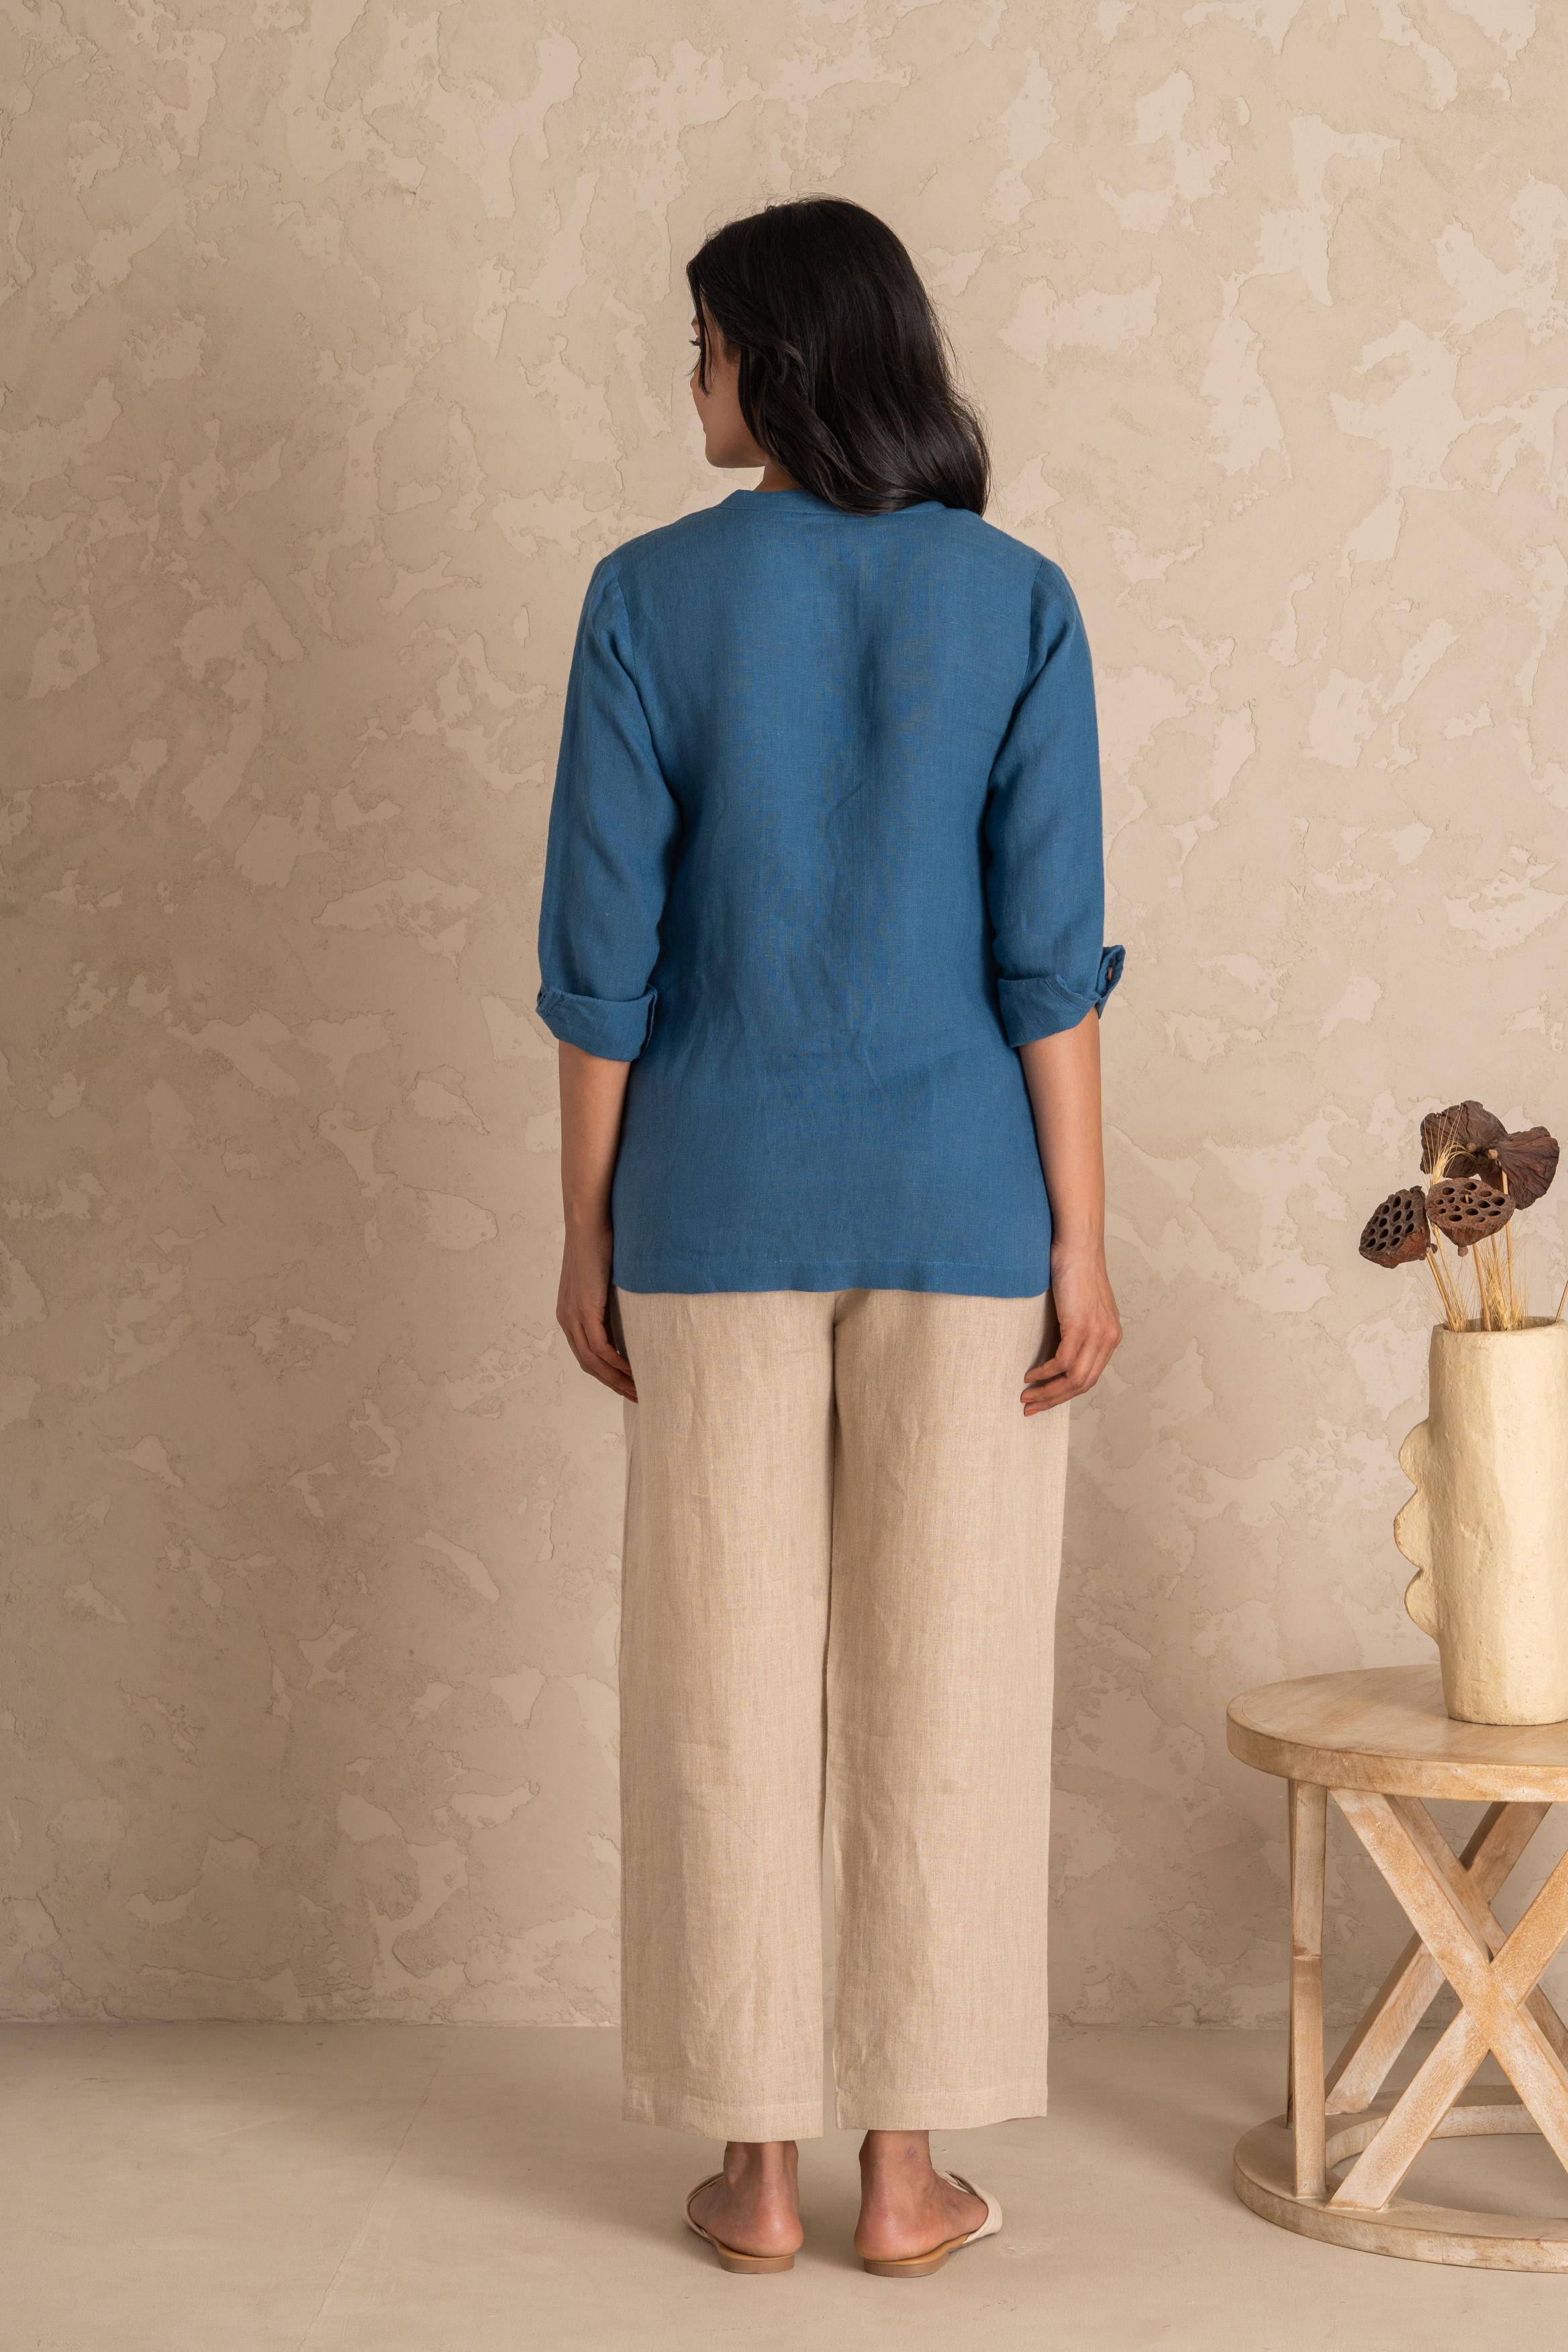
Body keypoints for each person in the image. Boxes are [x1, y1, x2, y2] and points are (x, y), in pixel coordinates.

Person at [535, 195, 1124, 2279]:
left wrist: (586, 1228)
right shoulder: (1017, 599)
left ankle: (756, 2177)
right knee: (944, 1682)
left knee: (720, 1678)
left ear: (777, 363)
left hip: (708, 1206)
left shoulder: (645, 597)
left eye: (702, 344)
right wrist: (1082, 1241)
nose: (687, 378)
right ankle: (904, 2177)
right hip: (968, 1211)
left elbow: (601, 963)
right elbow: (1050, 964)